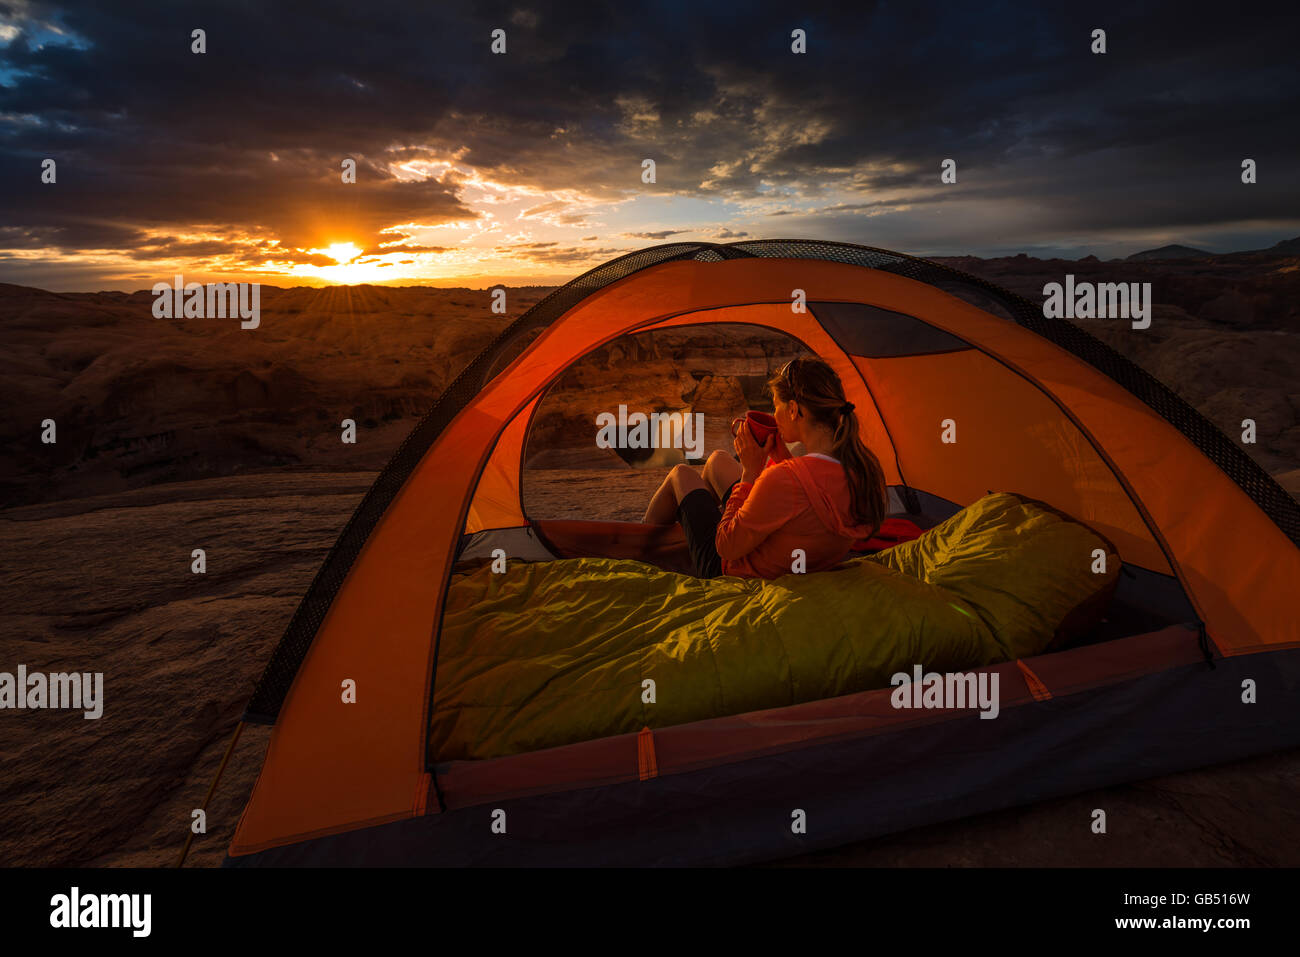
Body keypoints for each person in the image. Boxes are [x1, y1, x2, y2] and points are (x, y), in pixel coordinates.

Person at [642, 356, 889, 578]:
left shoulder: (783, 479)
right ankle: (691, 531)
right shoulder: (861, 468)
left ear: (793, 410)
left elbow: (726, 546)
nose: (774, 414)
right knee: (717, 460)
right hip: (805, 555)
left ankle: (638, 543)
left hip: (733, 568)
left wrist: (749, 473)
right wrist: (778, 456)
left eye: (776, 406)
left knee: (681, 474)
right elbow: (805, 500)